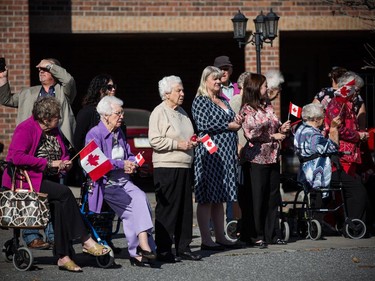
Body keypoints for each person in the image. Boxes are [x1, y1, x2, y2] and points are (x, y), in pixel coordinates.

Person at [1, 97, 110, 273]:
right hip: (27, 180)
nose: (59, 119)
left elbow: (65, 152)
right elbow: (15, 157)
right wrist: (49, 163)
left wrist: (65, 163)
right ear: (45, 118)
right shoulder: (26, 128)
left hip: (47, 179)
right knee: (65, 193)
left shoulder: (54, 130)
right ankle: (86, 240)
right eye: (56, 116)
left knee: (60, 204)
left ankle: (63, 256)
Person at [0, 58, 77, 249]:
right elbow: (6, 99)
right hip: (32, 152)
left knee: (55, 196)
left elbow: (69, 81)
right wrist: (3, 78)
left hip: (56, 152)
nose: (41, 71)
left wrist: (50, 64)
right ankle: (32, 235)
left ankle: (52, 234)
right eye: (40, 69)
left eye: (46, 69)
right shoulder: (29, 92)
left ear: (55, 70)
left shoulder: (62, 91)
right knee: (31, 194)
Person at [85, 95, 156, 267]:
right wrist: (120, 164)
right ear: (105, 115)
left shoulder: (119, 132)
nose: (122, 116)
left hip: (123, 181)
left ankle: (141, 247)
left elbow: (128, 154)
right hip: (105, 183)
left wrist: (132, 163)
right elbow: (94, 164)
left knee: (141, 198)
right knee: (131, 210)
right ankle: (141, 249)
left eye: (122, 112)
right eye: (118, 113)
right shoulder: (94, 134)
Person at [148, 75, 202, 262]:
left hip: (185, 165)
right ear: (167, 93)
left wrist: (194, 142)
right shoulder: (159, 112)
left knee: (185, 209)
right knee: (168, 209)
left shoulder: (182, 112)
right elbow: (154, 140)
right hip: (167, 166)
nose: (182, 93)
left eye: (182, 90)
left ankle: (183, 247)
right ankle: (163, 249)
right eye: (178, 90)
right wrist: (178, 145)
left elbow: (188, 136)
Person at [192, 66, 243, 251]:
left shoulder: (223, 99)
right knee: (207, 197)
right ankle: (206, 239)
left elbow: (231, 120)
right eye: (215, 79)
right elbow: (204, 124)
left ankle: (221, 236)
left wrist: (237, 120)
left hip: (226, 154)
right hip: (210, 154)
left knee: (220, 197)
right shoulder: (200, 101)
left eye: (220, 79)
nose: (219, 82)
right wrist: (229, 125)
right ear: (205, 80)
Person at [295, 102, 367, 228]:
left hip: (305, 172)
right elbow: (333, 147)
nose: (324, 120)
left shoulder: (299, 130)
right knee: (357, 188)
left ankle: (329, 220)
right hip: (319, 173)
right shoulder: (314, 135)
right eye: (323, 118)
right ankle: (353, 225)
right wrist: (334, 128)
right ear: (316, 119)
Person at [240, 73, 291, 248]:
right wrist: (272, 135)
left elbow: (274, 124)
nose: (267, 88)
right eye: (264, 86)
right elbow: (250, 133)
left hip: (273, 157)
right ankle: (256, 235)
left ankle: (272, 234)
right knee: (257, 198)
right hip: (256, 159)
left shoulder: (268, 106)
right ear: (255, 88)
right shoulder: (247, 109)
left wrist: (282, 127)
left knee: (272, 197)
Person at [323, 73, 368, 224]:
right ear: (347, 88)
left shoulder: (348, 104)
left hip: (351, 155)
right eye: (356, 89)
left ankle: (352, 224)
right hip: (342, 156)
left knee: (351, 193)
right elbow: (337, 129)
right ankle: (354, 225)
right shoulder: (336, 103)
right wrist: (358, 135)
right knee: (356, 192)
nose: (357, 93)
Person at [213, 55, 241, 223]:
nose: (224, 72)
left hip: (239, 140)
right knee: (218, 182)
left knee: (234, 182)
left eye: (227, 68)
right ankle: (214, 223)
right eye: (221, 69)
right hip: (221, 141)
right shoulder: (212, 90)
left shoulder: (239, 88)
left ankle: (232, 222)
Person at [229, 71, 252, 239]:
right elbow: (233, 125)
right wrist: (237, 145)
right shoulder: (236, 101)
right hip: (239, 151)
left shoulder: (252, 101)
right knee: (238, 189)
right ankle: (236, 224)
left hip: (249, 152)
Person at [73, 74, 116, 152]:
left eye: (114, 87)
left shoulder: (116, 111)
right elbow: (78, 140)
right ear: (101, 90)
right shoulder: (87, 112)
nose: (113, 89)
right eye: (109, 87)